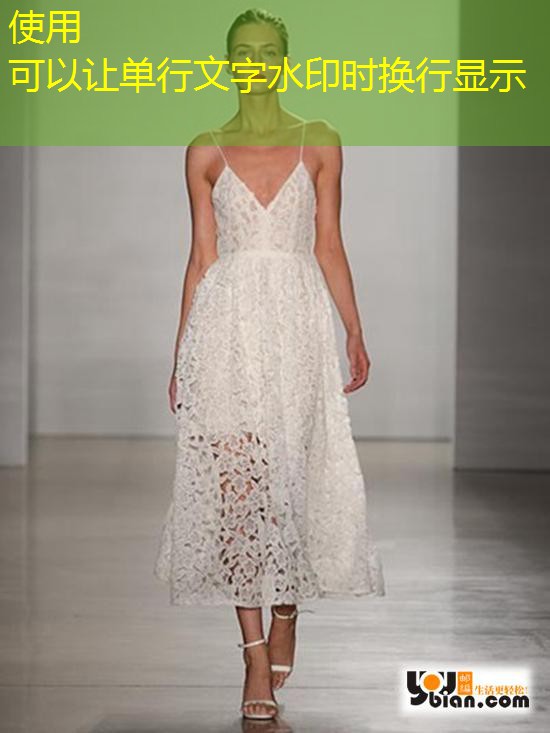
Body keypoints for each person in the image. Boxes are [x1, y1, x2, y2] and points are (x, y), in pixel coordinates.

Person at [153, 7, 385, 721]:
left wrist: (354, 328)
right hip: (226, 330)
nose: (255, 61)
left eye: (267, 50)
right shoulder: (204, 149)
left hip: (297, 328)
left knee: (291, 481)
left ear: (285, 59)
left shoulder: (321, 140)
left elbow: (328, 242)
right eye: (243, 51)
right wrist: (182, 352)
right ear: (228, 62)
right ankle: (254, 654)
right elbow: (201, 257)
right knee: (237, 494)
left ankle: (287, 606)